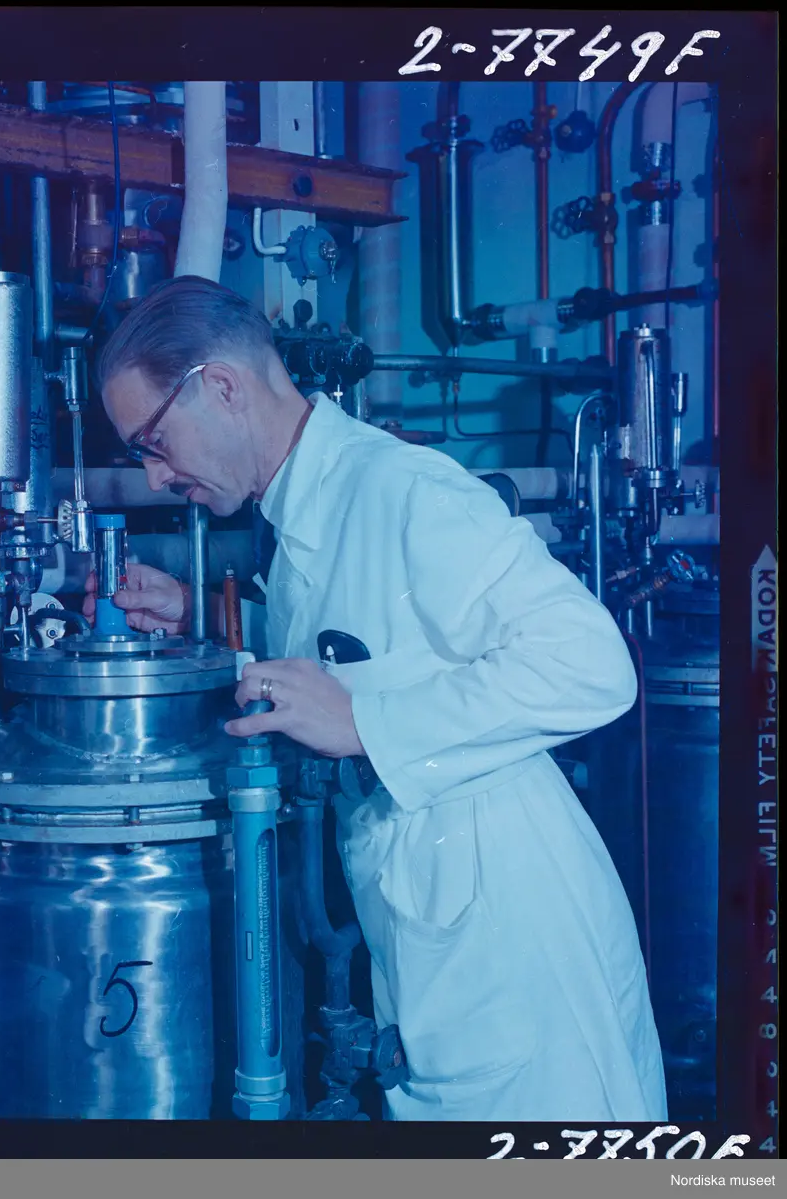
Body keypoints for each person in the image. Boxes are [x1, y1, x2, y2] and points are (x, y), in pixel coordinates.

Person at [81, 274, 667, 1123]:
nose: (154, 475)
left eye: (154, 441)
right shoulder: (303, 506)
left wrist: (362, 721)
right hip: (431, 916)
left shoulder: (401, 489)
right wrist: (199, 613)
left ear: (223, 388)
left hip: (510, 934)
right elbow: (359, 645)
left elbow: (590, 663)